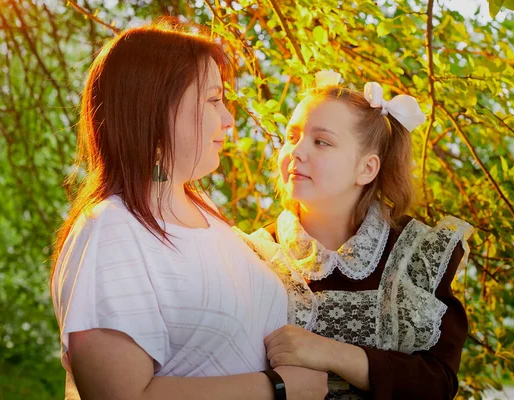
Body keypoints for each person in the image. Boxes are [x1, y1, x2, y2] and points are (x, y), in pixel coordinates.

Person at [50, 24, 327, 400]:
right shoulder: (110, 232)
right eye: (214, 100)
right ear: (154, 107)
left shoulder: (206, 212)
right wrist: (276, 388)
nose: (229, 119)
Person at [238, 72, 474, 399]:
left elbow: (437, 384)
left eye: (321, 141)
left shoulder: (421, 254)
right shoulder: (254, 255)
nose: (297, 151)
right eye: (292, 136)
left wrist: (333, 353)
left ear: (367, 168)